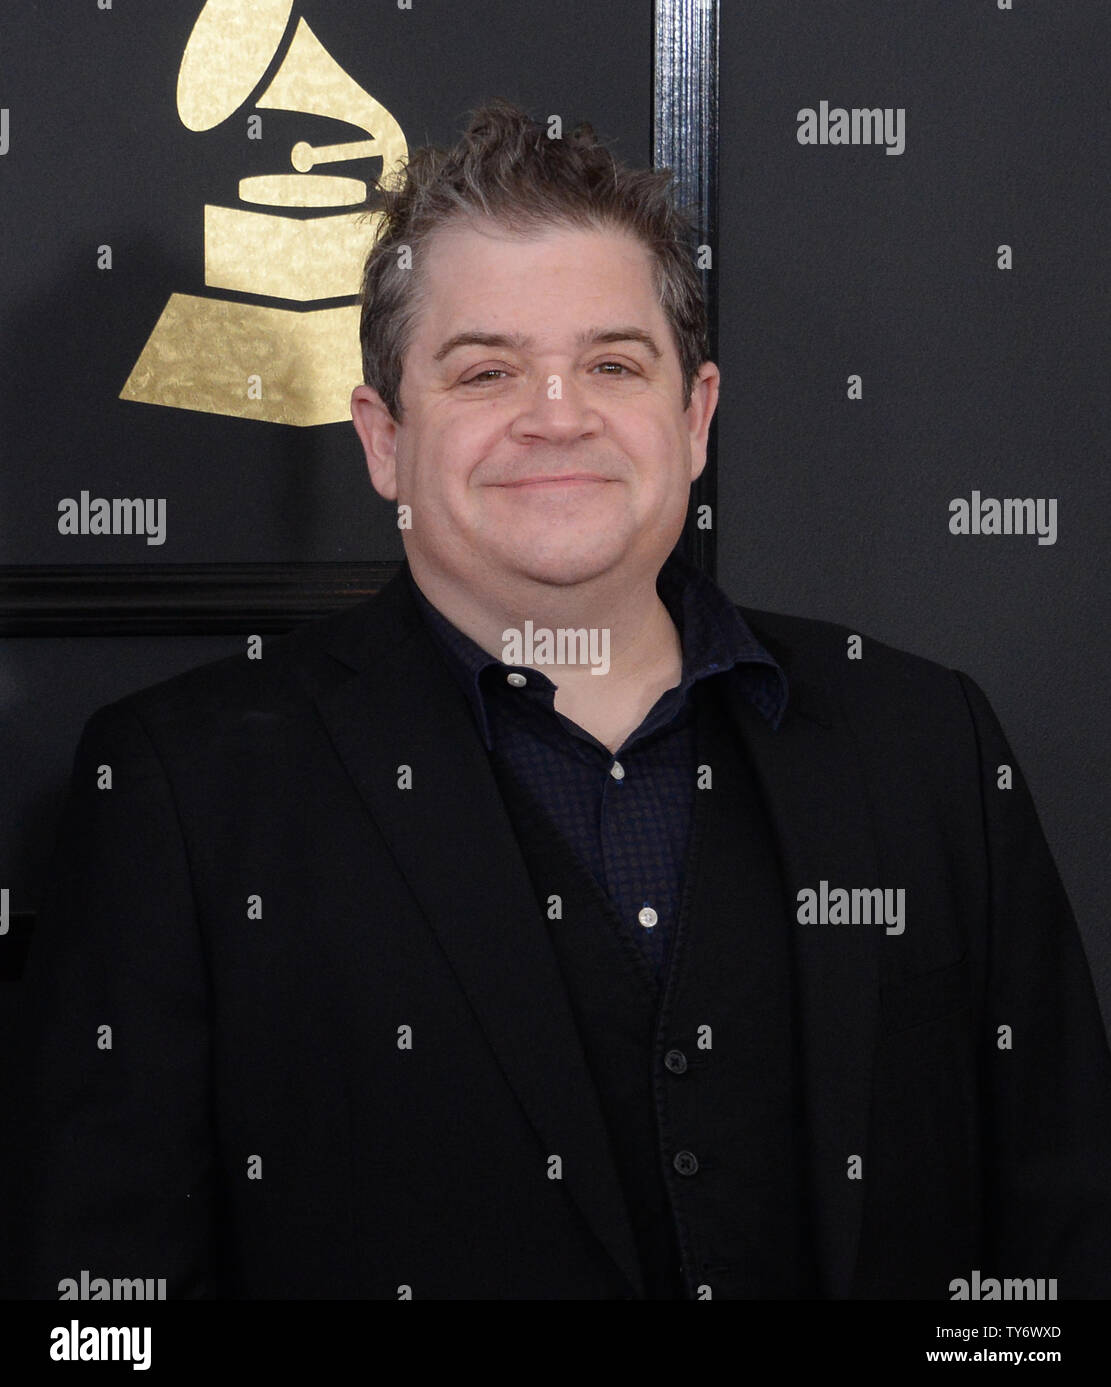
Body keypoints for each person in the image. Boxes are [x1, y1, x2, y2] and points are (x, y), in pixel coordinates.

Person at [13, 101, 1111, 1300]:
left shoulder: (927, 745)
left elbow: (1062, 1247)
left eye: (611, 363)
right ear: (383, 440)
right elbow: (96, 1309)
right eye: (485, 369)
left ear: (691, 419)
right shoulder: (184, 790)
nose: (556, 412)